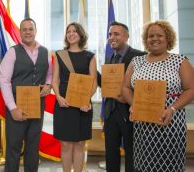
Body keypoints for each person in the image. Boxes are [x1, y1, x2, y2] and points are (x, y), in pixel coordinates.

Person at [122, 20, 194, 172]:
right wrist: (133, 104)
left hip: (170, 124)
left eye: (159, 35)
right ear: (146, 40)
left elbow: (191, 89)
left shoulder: (180, 61)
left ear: (168, 38)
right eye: (150, 36)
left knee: (170, 166)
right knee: (144, 166)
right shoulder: (137, 61)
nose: (154, 39)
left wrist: (172, 108)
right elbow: (126, 87)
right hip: (143, 127)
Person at [0, 18, 52, 172]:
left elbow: (50, 74)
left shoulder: (45, 52)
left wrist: (48, 85)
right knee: (13, 149)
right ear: (20, 32)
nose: (28, 32)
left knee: (33, 148)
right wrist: (12, 108)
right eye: (24, 29)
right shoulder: (12, 52)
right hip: (16, 106)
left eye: (30, 29)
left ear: (35, 31)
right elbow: (4, 81)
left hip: (37, 106)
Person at [51, 22, 97, 172]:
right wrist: (57, 96)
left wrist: (86, 100)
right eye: (68, 31)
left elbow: (94, 83)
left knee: (79, 144)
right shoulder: (59, 55)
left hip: (82, 105)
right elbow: (54, 80)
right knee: (65, 145)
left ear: (81, 34)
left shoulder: (90, 56)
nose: (71, 34)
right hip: (63, 102)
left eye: (74, 31)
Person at [100, 21, 145, 172]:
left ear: (127, 36)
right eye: (110, 34)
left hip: (130, 112)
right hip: (110, 113)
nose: (112, 37)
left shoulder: (140, 56)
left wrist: (128, 96)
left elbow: (145, 87)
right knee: (111, 155)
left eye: (116, 34)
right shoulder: (109, 58)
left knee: (133, 154)